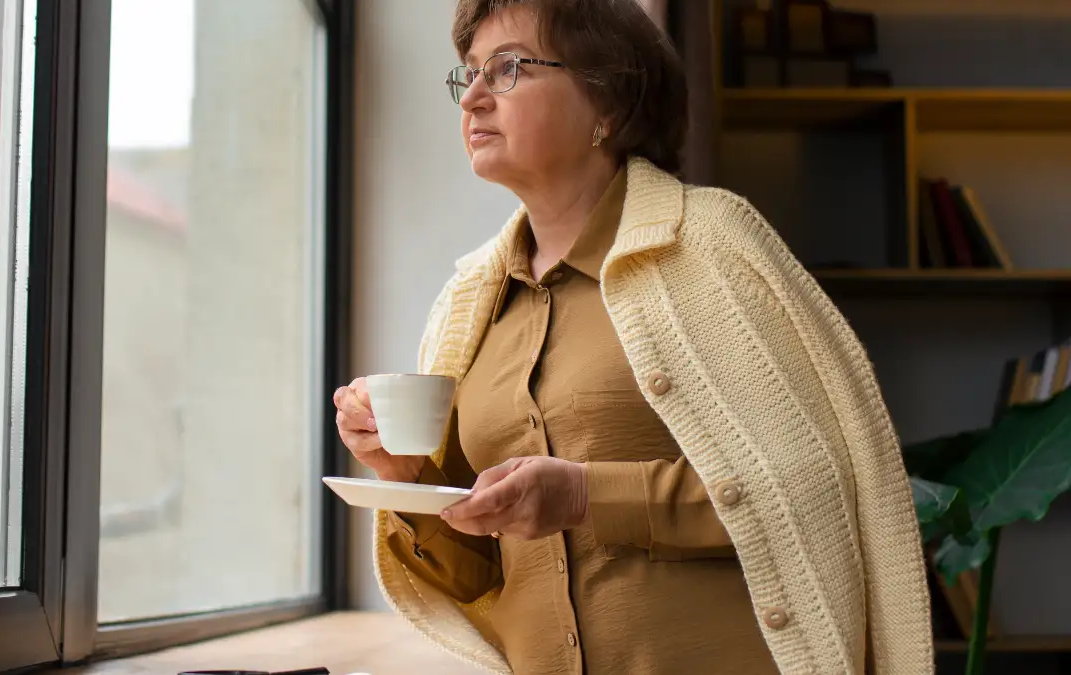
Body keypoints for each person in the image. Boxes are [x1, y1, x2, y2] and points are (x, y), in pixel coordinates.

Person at [334, 0, 934, 673]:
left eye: (506, 70)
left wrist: (588, 495)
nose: (472, 97)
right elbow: (476, 578)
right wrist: (406, 473)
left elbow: (813, 487)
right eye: (467, 74)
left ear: (607, 104)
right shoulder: (465, 303)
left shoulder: (711, 242)